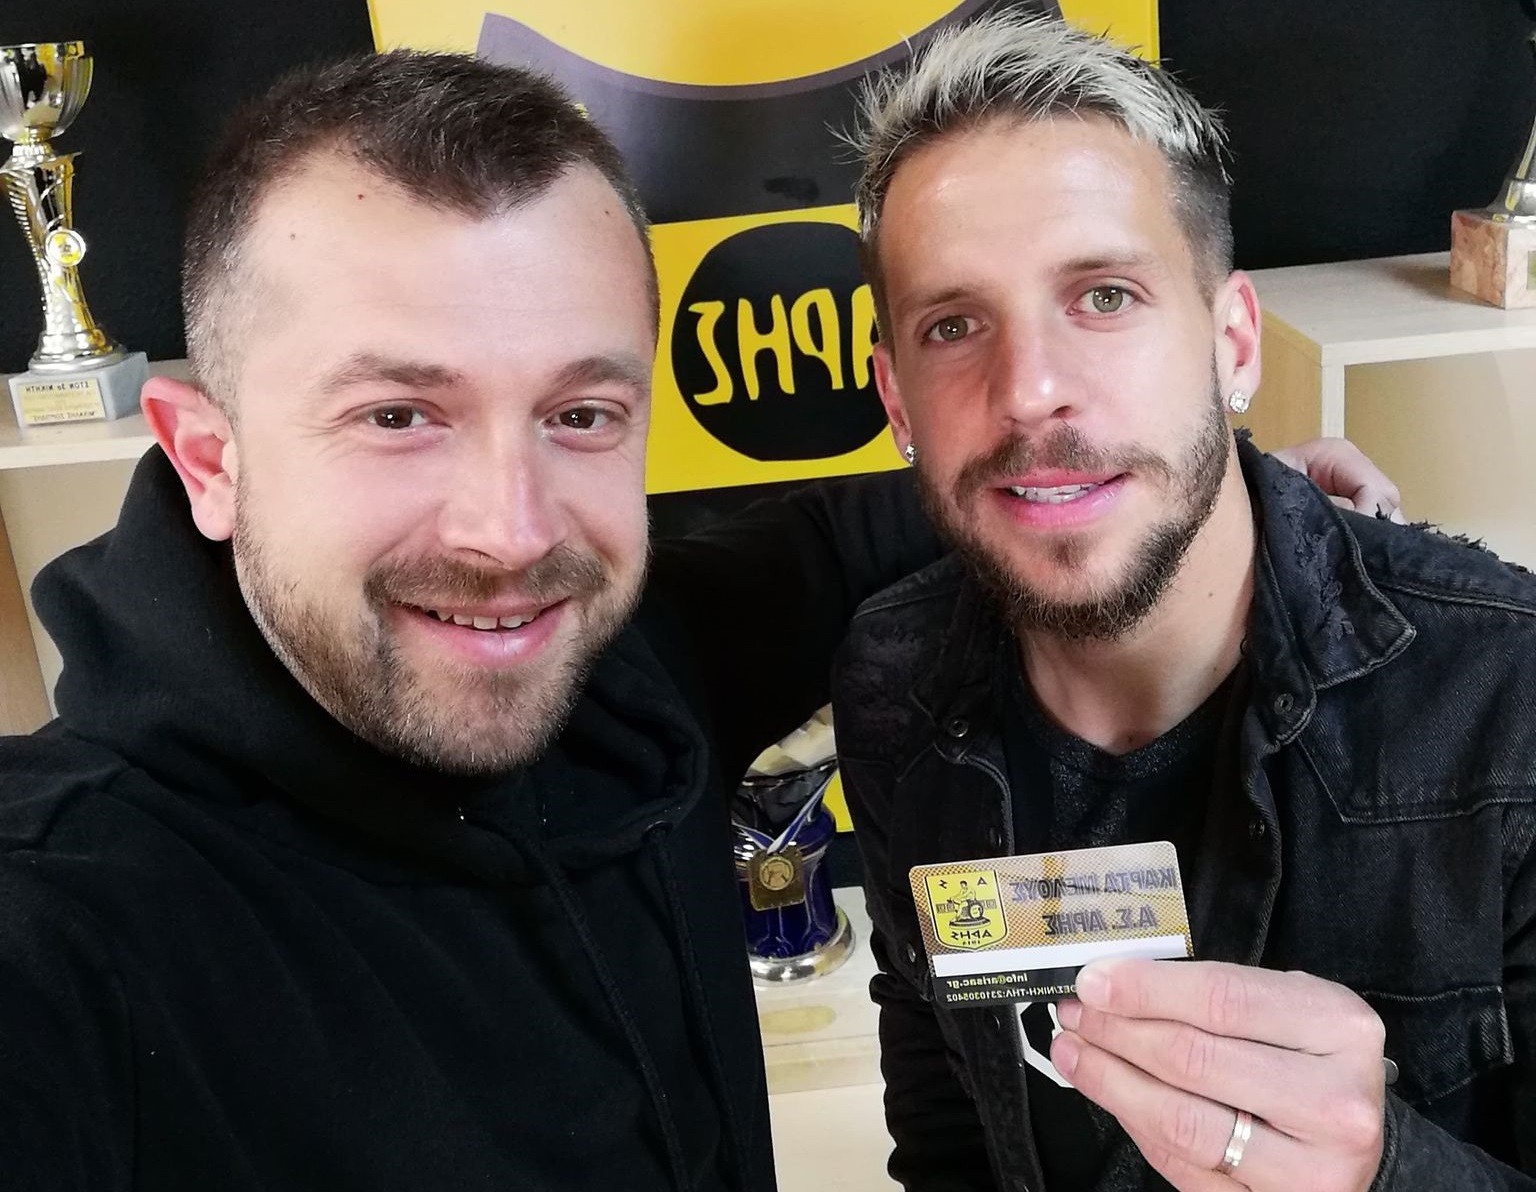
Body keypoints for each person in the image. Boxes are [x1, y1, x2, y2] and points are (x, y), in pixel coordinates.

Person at [0, 47, 1396, 1192]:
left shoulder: (620, 653)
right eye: (399, 416)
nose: (511, 533)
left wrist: (1201, 476)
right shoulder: (71, 930)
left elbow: (875, 520)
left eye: (580, 414)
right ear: (208, 457)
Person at [833, 12, 1536, 1192]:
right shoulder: (892, 681)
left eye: (1104, 296)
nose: (1029, 390)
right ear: (898, 400)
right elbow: (950, 1136)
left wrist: (1385, 1170)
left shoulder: (1503, 698)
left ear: (1234, 343)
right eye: (953, 325)